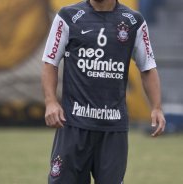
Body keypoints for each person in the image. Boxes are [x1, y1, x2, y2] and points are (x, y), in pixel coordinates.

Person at [41, 0, 166, 183]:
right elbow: (50, 62)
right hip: (74, 125)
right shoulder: (67, 17)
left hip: (113, 129)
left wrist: (156, 107)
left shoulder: (133, 21)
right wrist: (51, 101)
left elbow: (147, 67)